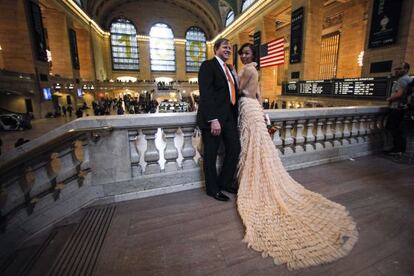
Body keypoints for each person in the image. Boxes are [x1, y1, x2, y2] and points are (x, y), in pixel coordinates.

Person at [235, 43, 358, 270]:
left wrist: (234, 76)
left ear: (252, 55)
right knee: (259, 146)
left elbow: (240, 90)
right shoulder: (256, 70)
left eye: (247, 53)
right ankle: (260, 176)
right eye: (242, 53)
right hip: (254, 109)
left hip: (246, 107)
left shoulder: (247, 70)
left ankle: (253, 180)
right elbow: (259, 95)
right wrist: (263, 113)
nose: (243, 55)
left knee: (252, 145)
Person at [197, 38, 241, 202]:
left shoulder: (229, 69)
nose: (228, 50)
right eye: (225, 47)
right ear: (216, 49)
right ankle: (212, 189)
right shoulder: (208, 66)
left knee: (235, 149)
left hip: (230, 117)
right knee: (211, 155)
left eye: (230, 48)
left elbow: (233, 92)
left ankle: (225, 182)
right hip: (214, 118)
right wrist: (213, 119)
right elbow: (206, 94)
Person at [385, 62, 411, 155]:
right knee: (399, 129)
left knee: (393, 128)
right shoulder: (409, 79)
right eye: (396, 69)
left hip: (397, 108)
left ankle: (397, 149)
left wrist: (389, 98)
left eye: (400, 69)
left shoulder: (402, 80)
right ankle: (400, 149)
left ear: (406, 69)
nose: (397, 71)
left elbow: (399, 94)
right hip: (403, 108)